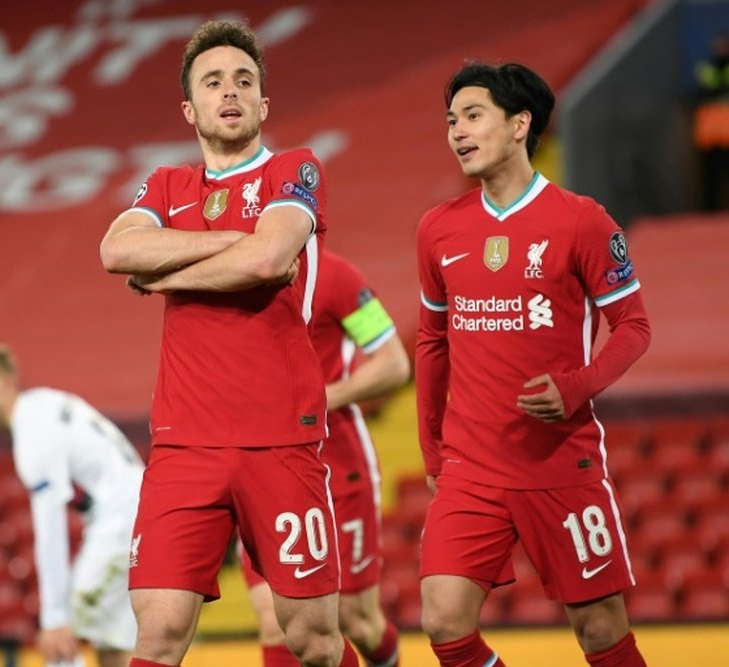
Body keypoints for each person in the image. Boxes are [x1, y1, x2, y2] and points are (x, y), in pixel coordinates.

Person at [99, 19, 360, 667]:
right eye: (213, 81)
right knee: (157, 635)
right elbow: (115, 249)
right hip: (184, 444)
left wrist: (163, 274)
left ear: (264, 103)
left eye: (244, 80)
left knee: (315, 641)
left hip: (282, 438)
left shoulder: (295, 168)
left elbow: (271, 258)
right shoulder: (165, 184)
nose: (231, 90)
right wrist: (231, 247)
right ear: (190, 108)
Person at [415, 62, 652, 667]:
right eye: (451, 121)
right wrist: (433, 451)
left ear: (520, 124)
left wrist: (577, 387)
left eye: (473, 116)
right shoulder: (438, 229)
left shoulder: (582, 221)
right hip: (472, 466)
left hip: (559, 464)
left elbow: (634, 326)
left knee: (600, 631)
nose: (457, 132)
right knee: (443, 621)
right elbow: (432, 342)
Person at [240, 249, 410, 667]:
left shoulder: (336, 277)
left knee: (357, 621)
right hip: (263, 467)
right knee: (275, 619)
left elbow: (393, 363)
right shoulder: (234, 272)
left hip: (336, 462)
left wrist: (316, 398)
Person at [0, 341, 142, 667]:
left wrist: (53, 617)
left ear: (7, 380)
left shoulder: (32, 432)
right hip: (134, 510)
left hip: (122, 521)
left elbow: (49, 526)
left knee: (62, 639)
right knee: (113, 645)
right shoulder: (43, 403)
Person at [693, 34, 729, 211]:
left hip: (727, 134)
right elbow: (701, 92)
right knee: (711, 178)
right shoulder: (706, 68)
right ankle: (709, 213)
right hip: (710, 135)